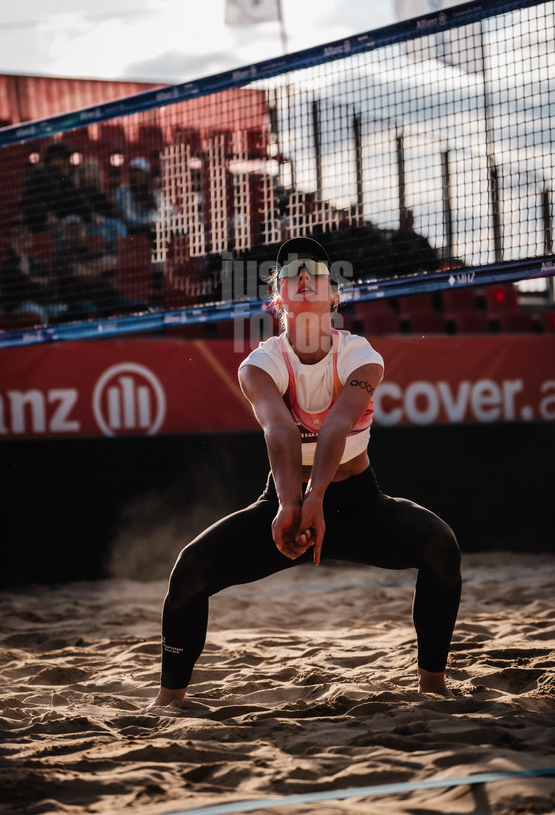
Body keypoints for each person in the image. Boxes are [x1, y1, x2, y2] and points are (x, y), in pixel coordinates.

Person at [149, 236, 461, 708]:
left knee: (440, 545)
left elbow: (338, 422)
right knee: (190, 571)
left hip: (358, 500)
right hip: (285, 503)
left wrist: (314, 498)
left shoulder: (360, 354)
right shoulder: (260, 363)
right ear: (278, 300)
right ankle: (169, 702)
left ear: (333, 295)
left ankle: (433, 690)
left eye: (314, 273)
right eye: (292, 274)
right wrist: (292, 504)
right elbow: (280, 431)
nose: (302, 278)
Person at [0, 224, 62, 325]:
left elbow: (53, 279)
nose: (23, 243)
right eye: (19, 240)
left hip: (43, 302)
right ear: (12, 244)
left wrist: (35, 280)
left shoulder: (38, 263)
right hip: (19, 305)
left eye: (26, 239)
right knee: (38, 311)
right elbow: (22, 278)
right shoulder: (6, 264)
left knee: (64, 310)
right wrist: (40, 281)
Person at [19, 143, 80, 233]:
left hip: (60, 223)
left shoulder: (65, 179)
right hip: (39, 226)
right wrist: (46, 216)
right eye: (64, 159)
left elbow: (75, 200)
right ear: (54, 158)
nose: (66, 163)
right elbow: (31, 199)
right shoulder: (37, 173)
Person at [73, 158, 127, 248]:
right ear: (83, 174)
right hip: (88, 227)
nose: (93, 173)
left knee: (119, 225)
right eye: (90, 170)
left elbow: (109, 210)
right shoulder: (79, 193)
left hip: (103, 225)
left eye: (95, 170)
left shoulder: (100, 194)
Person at [114, 156, 160, 238]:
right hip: (131, 230)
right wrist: (147, 222)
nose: (137, 175)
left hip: (150, 227)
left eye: (140, 172)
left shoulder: (153, 193)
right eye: (134, 172)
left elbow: (158, 211)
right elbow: (128, 217)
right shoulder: (123, 192)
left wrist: (155, 221)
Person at [391, 207, 438, 276]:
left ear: (412, 220)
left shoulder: (421, 241)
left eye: (409, 219)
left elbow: (434, 263)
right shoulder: (394, 242)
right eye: (404, 219)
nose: (407, 222)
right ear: (400, 221)